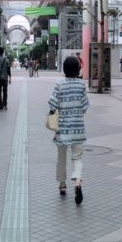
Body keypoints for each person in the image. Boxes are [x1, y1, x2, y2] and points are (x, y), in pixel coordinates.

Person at [50, 56, 90, 205]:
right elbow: (85, 106)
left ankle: (62, 184)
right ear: (78, 69)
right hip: (78, 128)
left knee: (61, 157)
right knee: (77, 158)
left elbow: (52, 104)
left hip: (62, 128)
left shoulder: (59, 84)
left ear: (65, 69)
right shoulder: (81, 85)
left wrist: (54, 115)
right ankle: (77, 182)